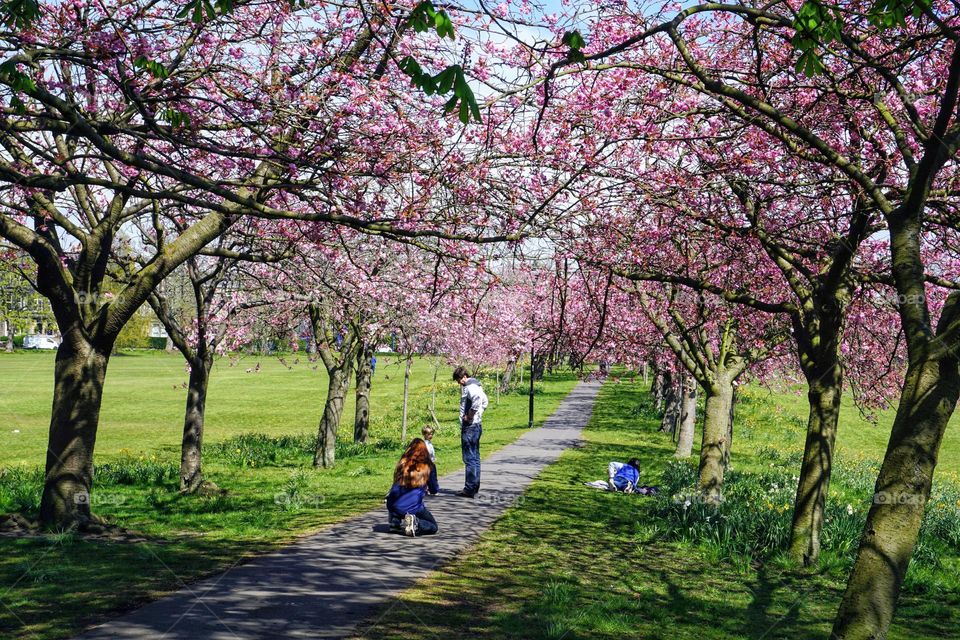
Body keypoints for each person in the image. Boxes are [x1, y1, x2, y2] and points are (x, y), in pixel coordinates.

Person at [386, 439, 439, 537]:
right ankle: (416, 523)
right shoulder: (429, 466)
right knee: (433, 526)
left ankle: (395, 522)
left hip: (392, 503)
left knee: (398, 501)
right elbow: (434, 489)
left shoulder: (402, 463)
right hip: (412, 507)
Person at [453, 366, 488, 498]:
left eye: (459, 380)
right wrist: (479, 414)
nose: (459, 383)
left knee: (469, 458)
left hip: (470, 427)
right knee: (475, 457)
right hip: (476, 425)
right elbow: (485, 402)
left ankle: (469, 488)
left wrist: (470, 416)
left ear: (464, 376)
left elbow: (478, 400)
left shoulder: (470, 386)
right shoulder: (477, 385)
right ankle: (474, 486)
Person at [422, 426, 440, 495]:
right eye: (429, 434)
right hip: (428, 463)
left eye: (432, 434)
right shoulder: (425, 444)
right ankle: (433, 490)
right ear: (424, 435)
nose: (431, 436)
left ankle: (431, 489)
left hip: (431, 462)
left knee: (432, 477)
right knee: (431, 477)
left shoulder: (429, 443)